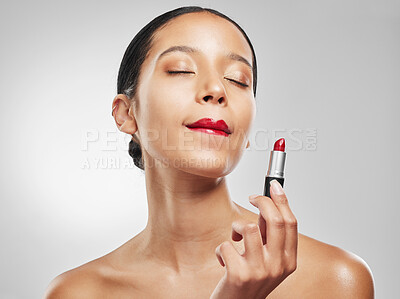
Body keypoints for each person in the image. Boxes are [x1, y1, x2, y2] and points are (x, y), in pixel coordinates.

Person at [44, 6, 374, 298]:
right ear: (126, 114)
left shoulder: (335, 279)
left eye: (238, 80)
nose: (216, 90)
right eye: (181, 70)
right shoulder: (78, 292)